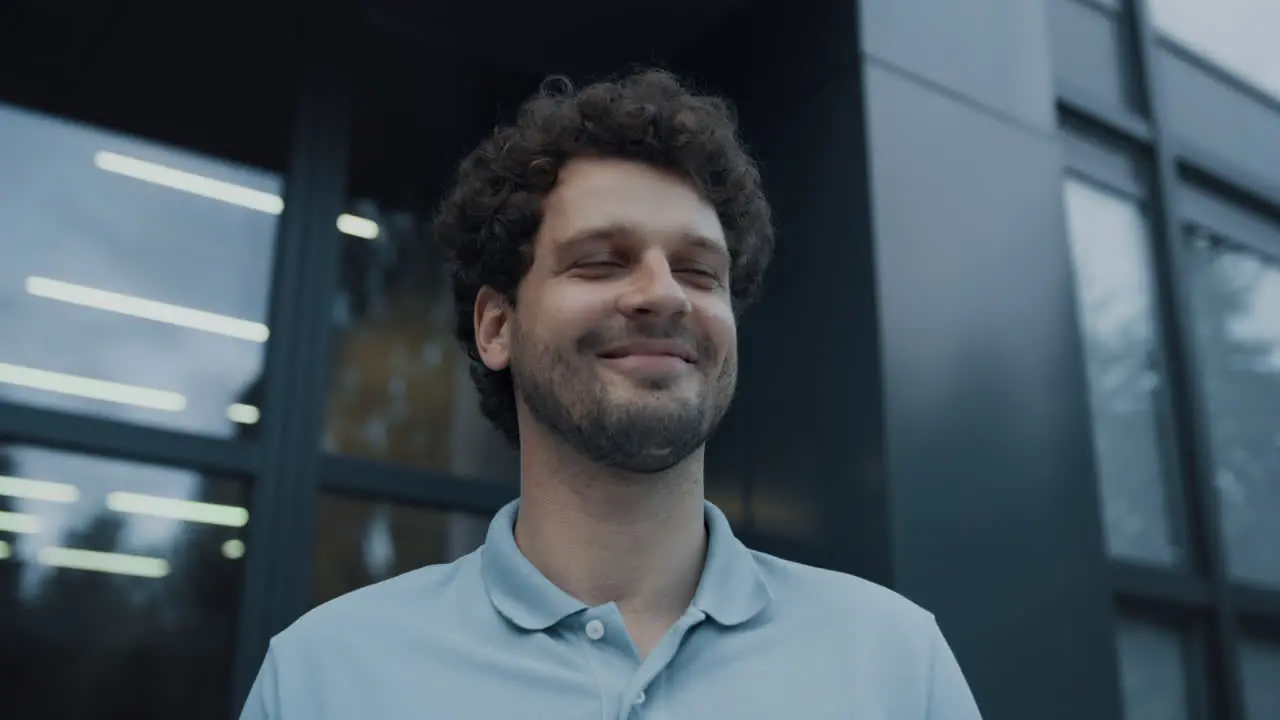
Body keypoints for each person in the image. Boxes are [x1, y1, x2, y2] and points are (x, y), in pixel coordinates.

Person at [239, 69, 983, 719]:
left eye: (699, 272)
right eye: (600, 262)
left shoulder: (893, 662)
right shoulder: (325, 676)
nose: (664, 295)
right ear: (497, 327)